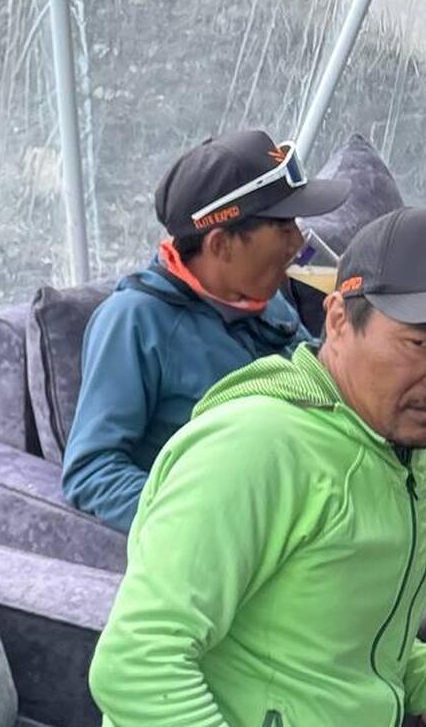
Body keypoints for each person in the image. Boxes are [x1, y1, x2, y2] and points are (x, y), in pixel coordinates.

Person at [90, 207, 426, 726]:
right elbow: (137, 663)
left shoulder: (400, 454)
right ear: (338, 320)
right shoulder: (255, 447)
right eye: (418, 343)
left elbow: (366, 651)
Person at [60, 129, 350, 531]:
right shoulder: (134, 322)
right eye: (283, 228)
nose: (297, 242)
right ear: (220, 245)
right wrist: (215, 521)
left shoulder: (262, 292)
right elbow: (91, 473)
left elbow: (346, 297)